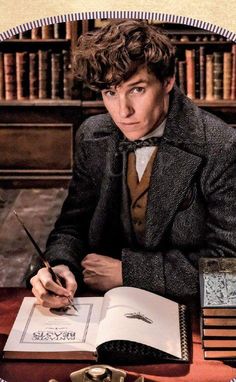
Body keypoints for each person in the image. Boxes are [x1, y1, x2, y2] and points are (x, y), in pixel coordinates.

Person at [29, 19, 236, 308]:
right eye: (110, 93)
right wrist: (62, 266)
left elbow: (229, 270)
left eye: (136, 89)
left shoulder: (221, 145)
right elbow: (72, 226)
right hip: (104, 308)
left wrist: (129, 272)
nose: (122, 111)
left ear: (167, 82)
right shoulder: (92, 134)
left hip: (190, 312)